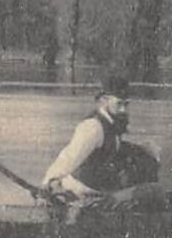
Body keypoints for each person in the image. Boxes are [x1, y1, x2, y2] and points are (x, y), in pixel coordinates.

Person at [42, 73, 159, 205]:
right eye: (119, 104)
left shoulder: (111, 124)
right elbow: (70, 156)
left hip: (96, 188)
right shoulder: (93, 127)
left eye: (126, 104)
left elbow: (112, 148)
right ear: (104, 100)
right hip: (81, 188)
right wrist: (49, 181)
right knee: (152, 191)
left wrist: (145, 149)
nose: (123, 110)